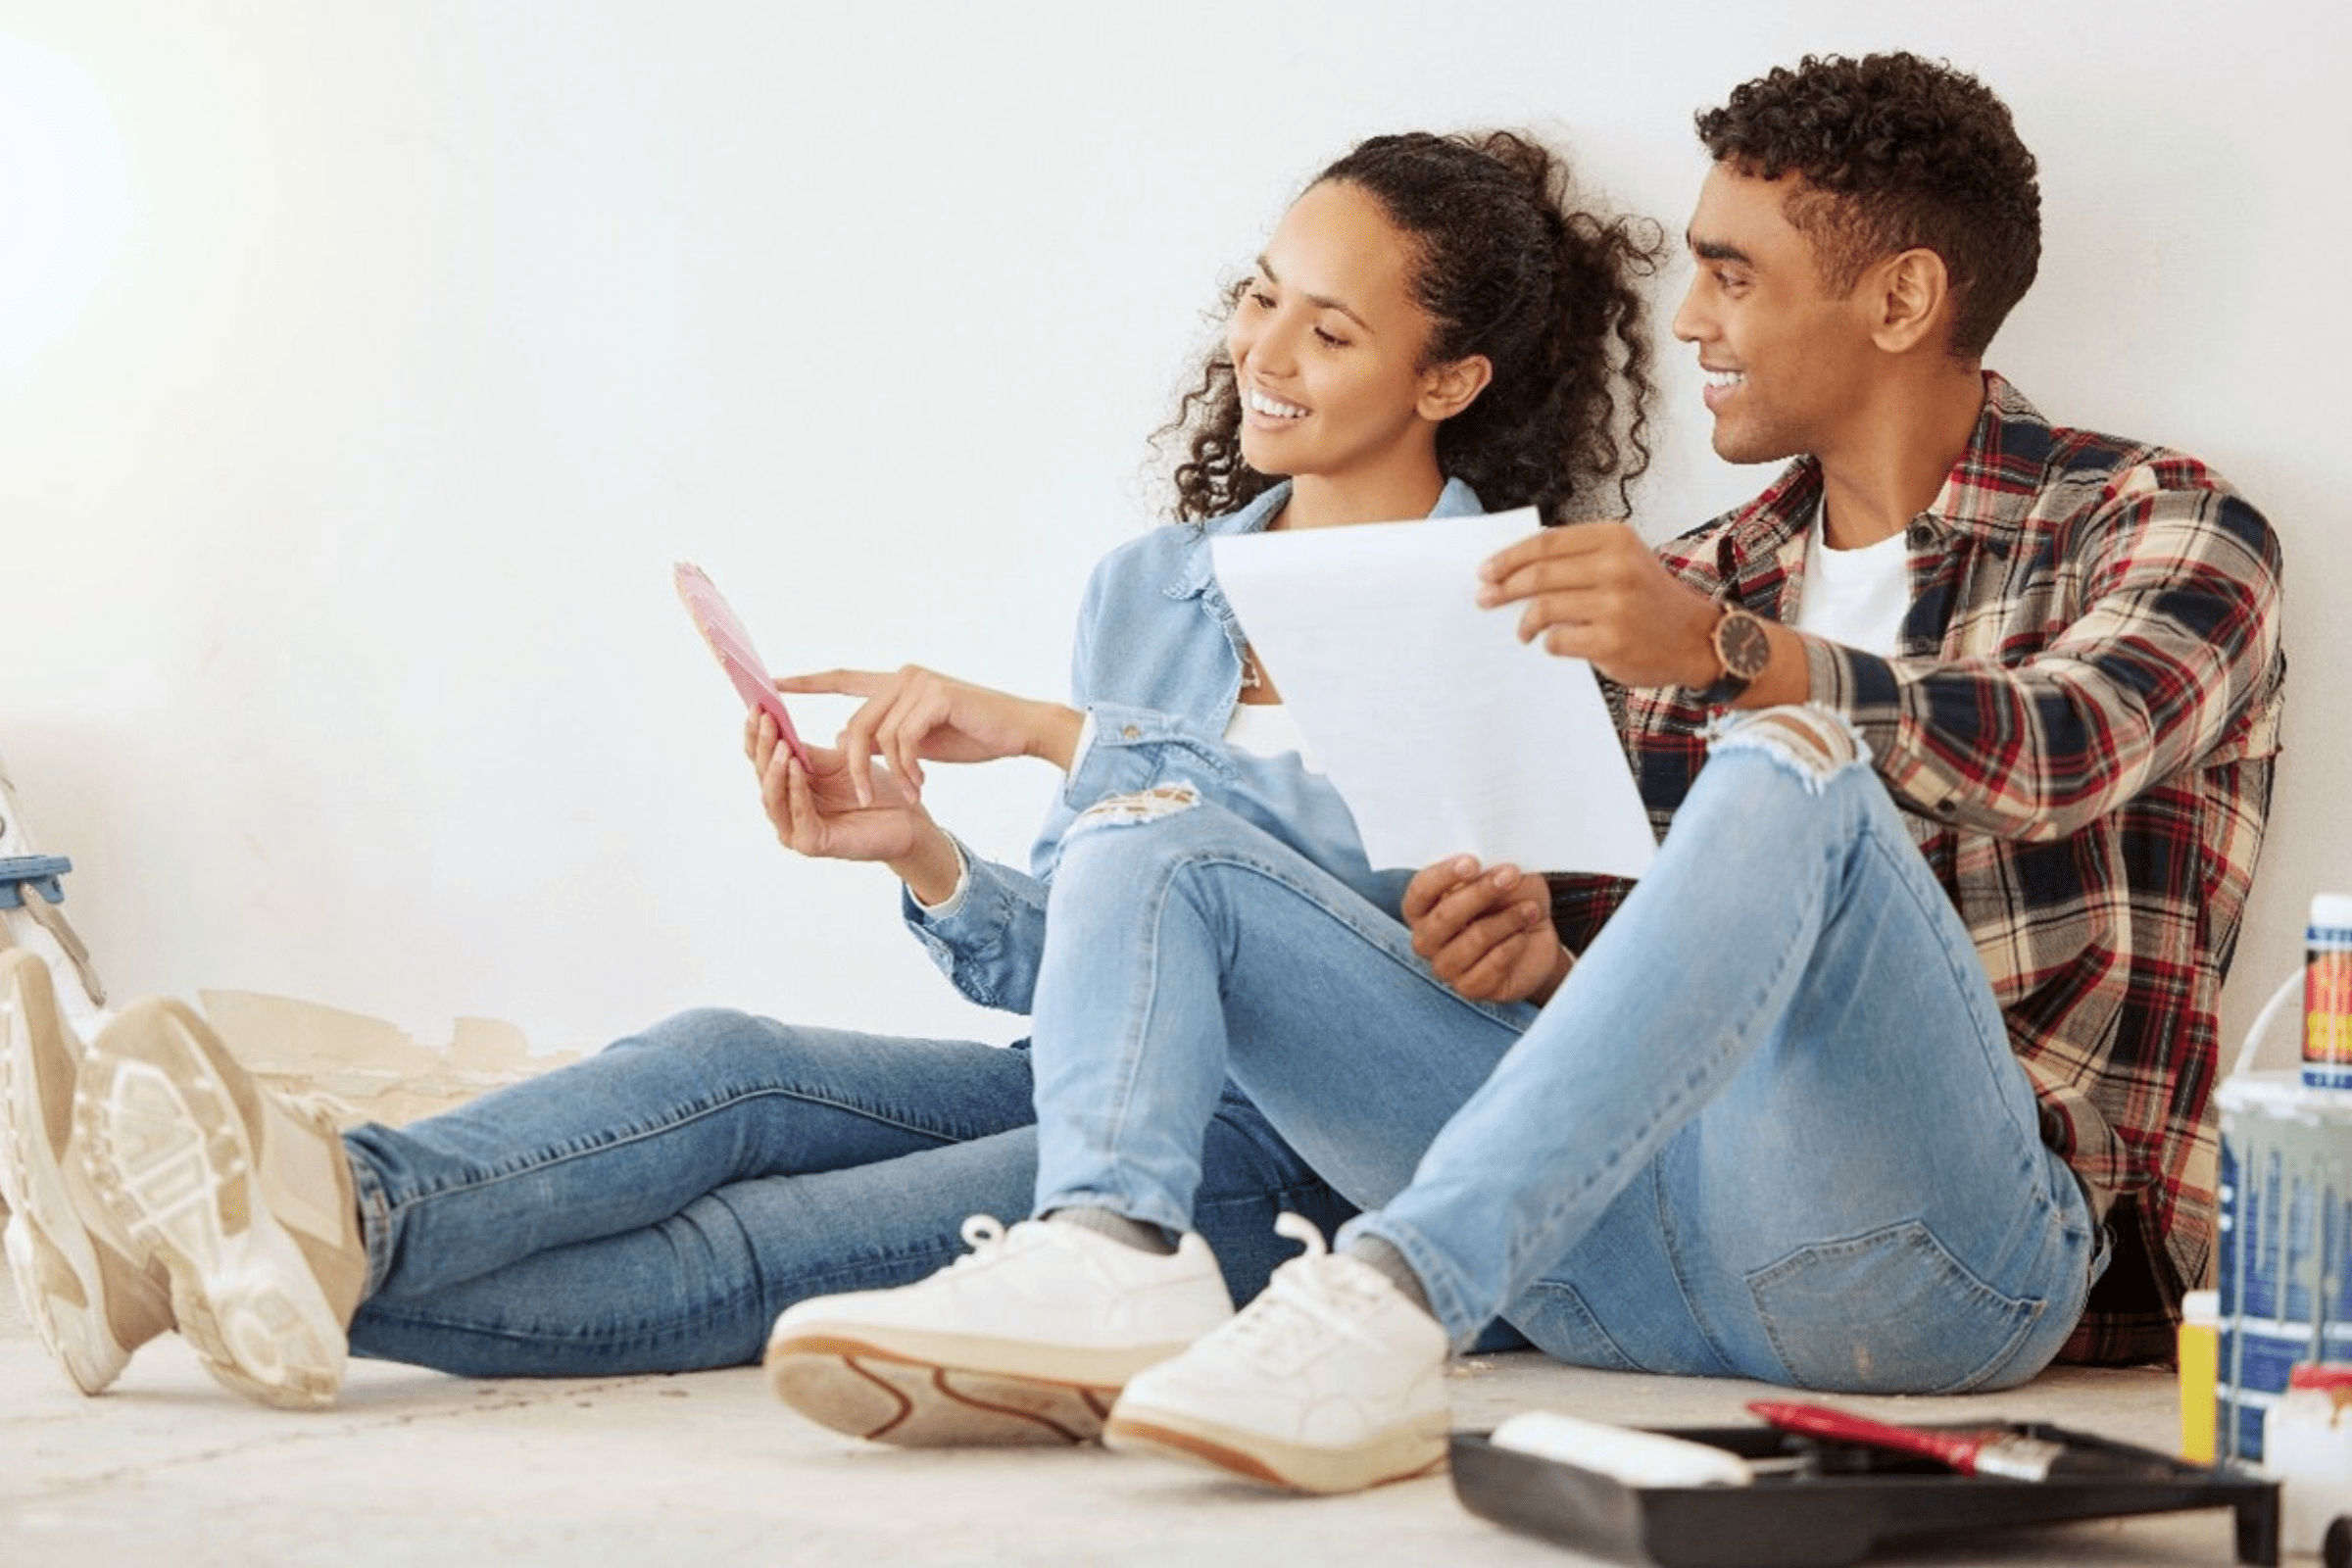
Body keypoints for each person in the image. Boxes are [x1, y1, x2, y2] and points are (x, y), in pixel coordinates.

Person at [773, 51, 2286, 1495]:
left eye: (1734, 271)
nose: (1689, 315)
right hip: (1625, 1259)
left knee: (1793, 772)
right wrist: (1535, 949)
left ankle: (1390, 1297)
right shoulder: (1688, 576)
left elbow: (2066, 747)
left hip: (1941, 1269)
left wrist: (1732, 657)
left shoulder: (2155, 519)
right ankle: (1108, 1250)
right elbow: (1618, 955)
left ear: (1902, 296)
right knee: (1155, 819)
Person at [0, 128, 1662, 1418]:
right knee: (727, 1062)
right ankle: (277, 1221)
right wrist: (923, 857)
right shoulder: (1150, 589)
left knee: (766, 1254)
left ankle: (230, 1236)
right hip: (1101, 1096)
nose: (1265, 350)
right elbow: (1083, 952)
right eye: (1259, 293)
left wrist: (1059, 736)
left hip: (1306, 1152)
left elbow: (1394, 931)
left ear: (1449, 381)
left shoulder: (1519, 605)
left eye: (1331, 326)